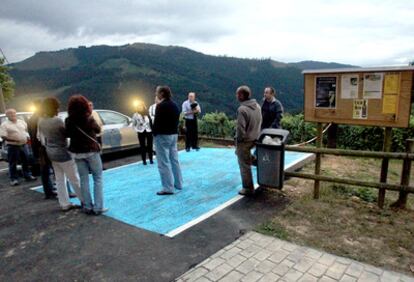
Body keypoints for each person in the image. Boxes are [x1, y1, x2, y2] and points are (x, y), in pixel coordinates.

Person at [37, 97, 83, 211]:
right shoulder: (57, 121)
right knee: (74, 178)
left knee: (59, 179)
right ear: (54, 108)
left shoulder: (41, 121)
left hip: (51, 152)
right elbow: (66, 134)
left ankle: (64, 203)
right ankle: (84, 200)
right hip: (63, 152)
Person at [65, 95, 107, 215]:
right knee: (97, 178)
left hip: (77, 152)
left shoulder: (68, 120)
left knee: (83, 179)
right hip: (91, 151)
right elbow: (98, 130)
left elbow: (67, 134)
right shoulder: (88, 118)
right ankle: (98, 207)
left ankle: (87, 206)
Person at [152, 86, 183, 195]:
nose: (156, 94)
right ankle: (178, 183)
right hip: (173, 135)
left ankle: (168, 187)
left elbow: (157, 122)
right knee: (174, 160)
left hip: (162, 136)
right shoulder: (175, 105)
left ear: (162, 94)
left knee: (163, 162)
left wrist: (154, 134)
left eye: (157, 92)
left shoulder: (160, 106)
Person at [235, 86, 262, 196]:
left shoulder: (242, 109)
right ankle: (259, 163)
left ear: (241, 95)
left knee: (244, 164)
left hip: (245, 140)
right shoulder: (257, 106)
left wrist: (239, 140)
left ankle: (248, 188)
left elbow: (240, 128)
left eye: (237, 94)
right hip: (255, 137)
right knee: (245, 156)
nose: (236, 96)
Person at [0, 109, 36, 186]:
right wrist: (14, 140)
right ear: (7, 116)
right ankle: (13, 179)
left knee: (25, 161)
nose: (12, 115)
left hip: (24, 145)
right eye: (10, 114)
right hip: (13, 146)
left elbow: (25, 130)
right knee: (13, 163)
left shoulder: (21, 122)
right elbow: (3, 136)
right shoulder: (4, 125)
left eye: (13, 113)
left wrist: (27, 137)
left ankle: (27, 176)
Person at [28, 99, 55, 199]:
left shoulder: (31, 119)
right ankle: (52, 191)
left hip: (38, 149)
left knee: (44, 171)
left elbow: (32, 135)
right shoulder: (40, 118)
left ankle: (48, 191)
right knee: (53, 169)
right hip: (44, 148)